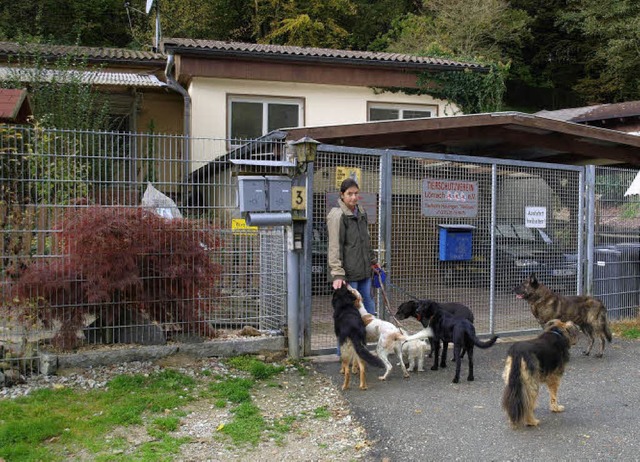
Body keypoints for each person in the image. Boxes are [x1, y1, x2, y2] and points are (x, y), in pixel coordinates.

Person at [327, 178, 379, 316]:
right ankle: (353, 337)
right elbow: (334, 246)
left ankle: (371, 336)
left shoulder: (361, 211)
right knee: (352, 312)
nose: (354, 197)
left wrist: (373, 261)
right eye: (350, 194)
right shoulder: (338, 215)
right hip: (348, 274)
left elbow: (365, 240)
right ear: (342, 195)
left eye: (356, 193)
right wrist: (337, 273)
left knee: (369, 308)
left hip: (364, 271)